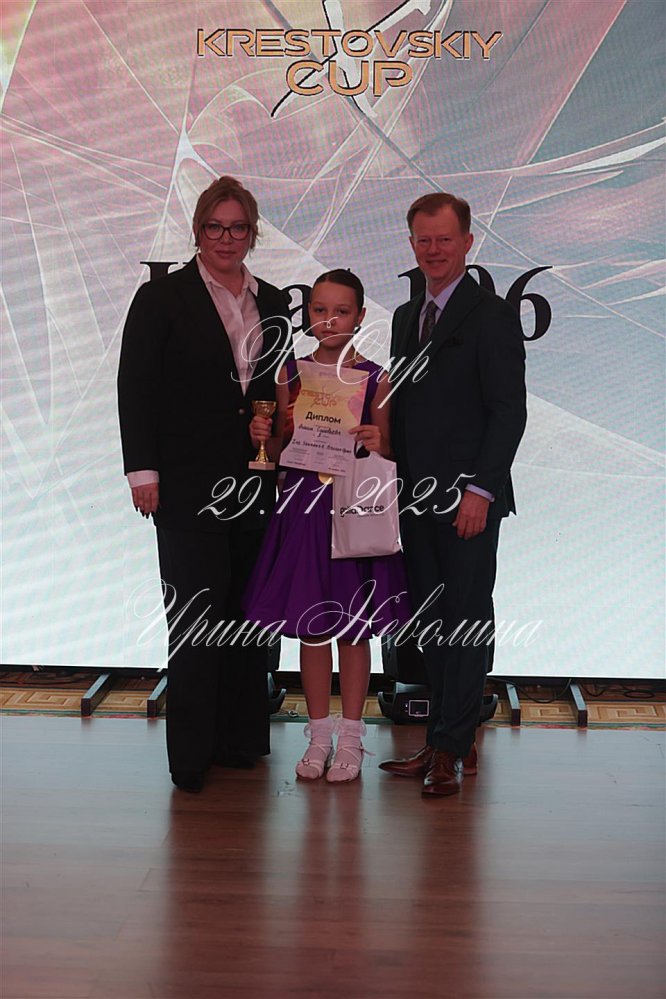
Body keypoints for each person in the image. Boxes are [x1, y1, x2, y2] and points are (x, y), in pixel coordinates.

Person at [117, 176, 291, 793]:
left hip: (254, 483)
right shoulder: (160, 298)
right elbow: (136, 386)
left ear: (252, 234)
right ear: (197, 231)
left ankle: (237, 740)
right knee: (195, 620)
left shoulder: (273, 300)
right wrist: (143, 471)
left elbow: (273, 391)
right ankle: (190, 756)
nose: (226, 238)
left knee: (245, 616)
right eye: (215, 227)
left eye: (237, 227)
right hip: (186, 486)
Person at [379, 192, 527, 797]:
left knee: (464, 620)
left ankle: (452, 745)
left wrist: (481, 490)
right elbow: (407, 408)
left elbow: (508, 411)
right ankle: (444, 738)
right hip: (416, 497)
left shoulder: (491, 315)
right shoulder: (404, 316)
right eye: (424, 240)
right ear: (412, 243)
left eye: (444, 239)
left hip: (470, 501)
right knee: (432, 624)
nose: (434, 250)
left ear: (467, 242)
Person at [244, 270, 410, 783]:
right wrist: (263, 434)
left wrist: (377, 441)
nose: (330, 320)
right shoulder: (290, 374)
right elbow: (276, 449)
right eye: (320, 310)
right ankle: (318, 735)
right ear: (308, 314)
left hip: (353, 507)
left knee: (353, 628)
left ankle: (352, 738)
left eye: (341, 311)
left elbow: (391, 449)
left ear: (360, 317)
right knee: (311, 627)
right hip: (303, 506)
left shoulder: (377, 377)